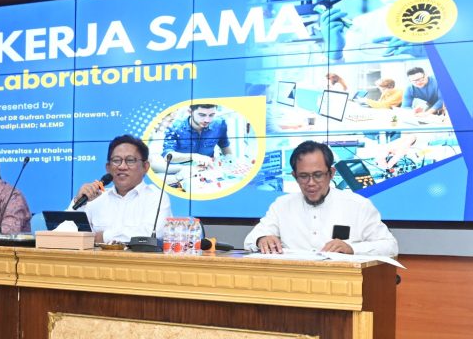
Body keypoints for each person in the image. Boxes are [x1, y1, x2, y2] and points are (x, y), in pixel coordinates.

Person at [244, 140, 398, 256]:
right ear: (294, 176)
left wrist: (352, 249)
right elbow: (250, 240)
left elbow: (390, 246)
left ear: (331, 173)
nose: (311, 183)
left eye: (318, 175)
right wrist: (262, 239)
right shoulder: (282, 205)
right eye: (303, 176)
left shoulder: (358, 205)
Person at [73, 134, 172, 243]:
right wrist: (80, 202)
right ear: (108, 167)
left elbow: (152, 234)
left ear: (145, 167)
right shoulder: (94, 199)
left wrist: (103, 237)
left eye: (130, 160)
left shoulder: (156, 197)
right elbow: (64, 231)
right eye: (116, 160)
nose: (122, 166)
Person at [161, 104, 233, 166]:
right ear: (190, 112)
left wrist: (231, 163)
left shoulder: (220, 124)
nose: (207, 120)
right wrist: (193, 156)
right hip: (180, 171)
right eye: (202, 115)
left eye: (211, 115)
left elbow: (225, 147)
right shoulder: (174, 127)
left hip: (208, 170)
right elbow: (167, 156)